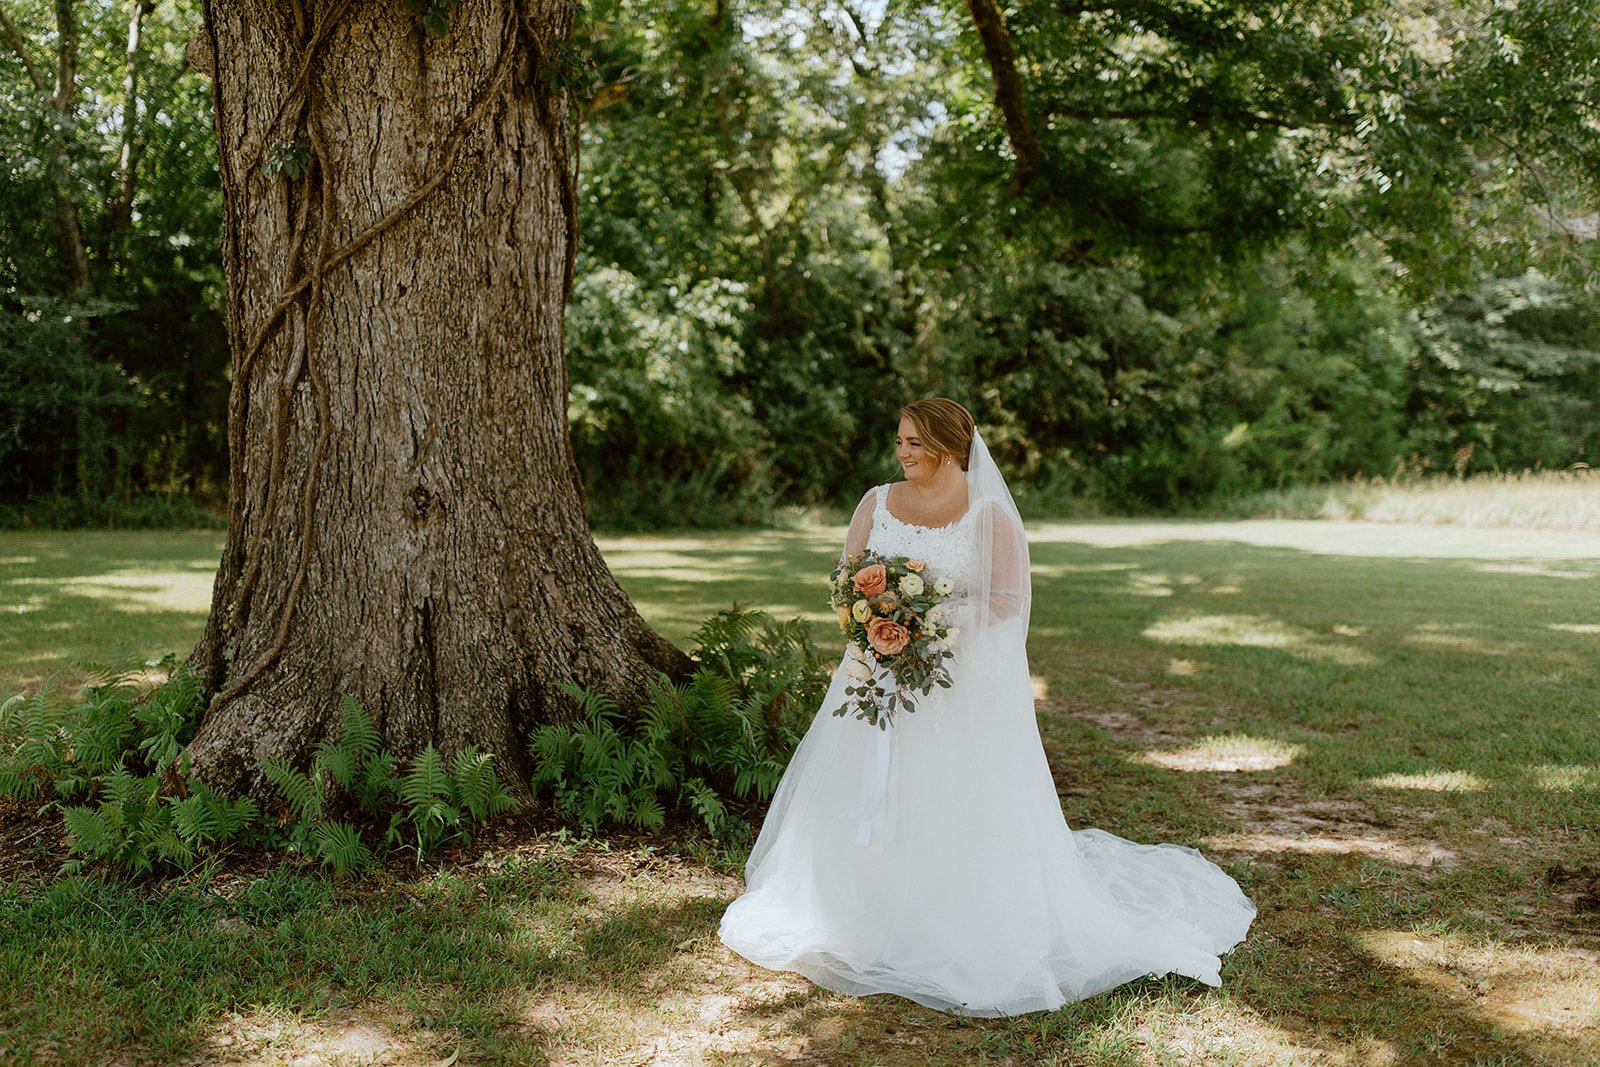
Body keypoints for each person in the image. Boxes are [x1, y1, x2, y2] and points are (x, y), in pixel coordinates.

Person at [718, 397, 1256, 1017]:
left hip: (955, 680)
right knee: (868, 782)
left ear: (949, 446)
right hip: (875, 671)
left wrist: (926, 616)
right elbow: (846, 577)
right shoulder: (876, 501)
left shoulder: (988, 513)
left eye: (915, 443)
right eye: (899, 441)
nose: (903, 453)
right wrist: (873, 618)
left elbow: (1006, 599)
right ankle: (854, 901)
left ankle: (947, 906)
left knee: (950, 786)